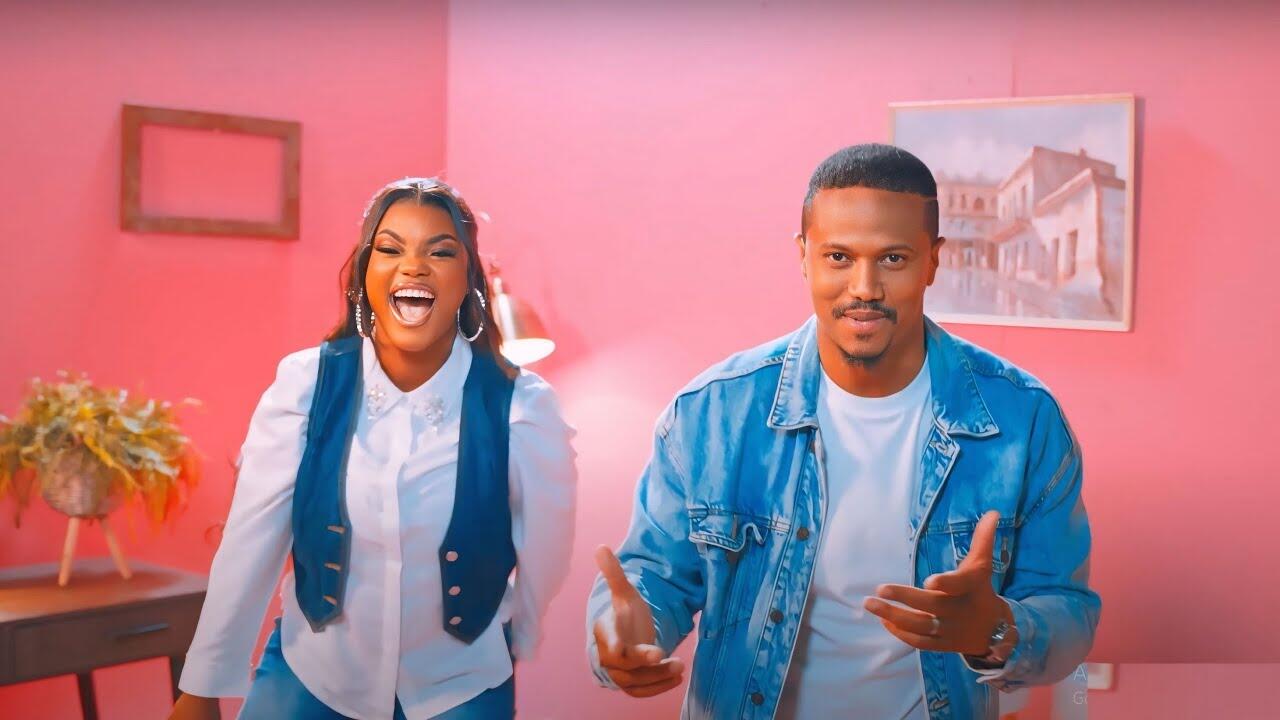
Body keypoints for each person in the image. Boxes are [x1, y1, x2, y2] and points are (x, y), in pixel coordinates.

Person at [587, 144, 1100, 719]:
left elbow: (1069, 611)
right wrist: (624, 631)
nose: (864, 287)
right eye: (838, 256)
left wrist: (997, 629)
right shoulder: (711, 413)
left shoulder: (1024, 421)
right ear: (803, 256)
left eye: (893, 259)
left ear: (933, 262)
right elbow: (652, 577)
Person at [171, 177, 577, 720]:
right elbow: (251, 542)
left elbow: (546, 549)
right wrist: (201, 687)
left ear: (468, 280)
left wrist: (516, 635)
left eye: (440, 252)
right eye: (390, 249)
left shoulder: (522, 405)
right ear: (365, 272)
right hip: (312, 675)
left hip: (459, 687)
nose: (414, 267)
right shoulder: (305, 385)